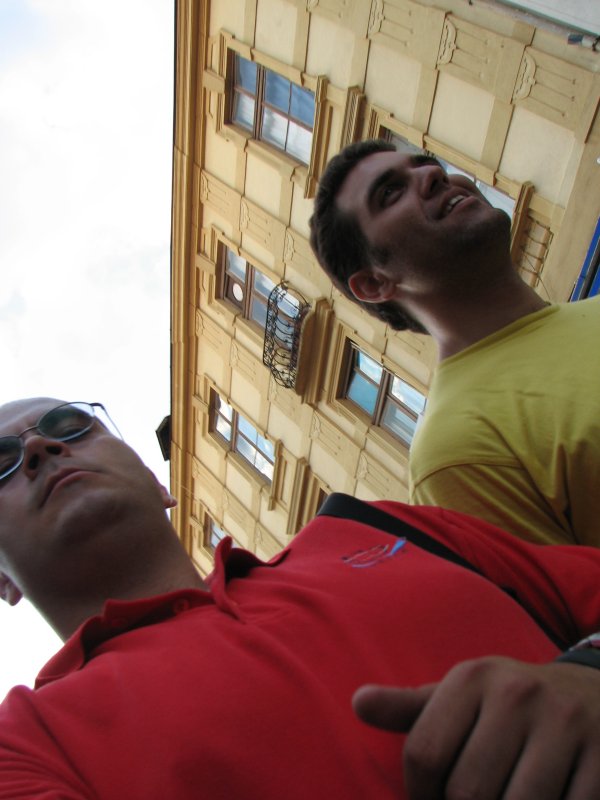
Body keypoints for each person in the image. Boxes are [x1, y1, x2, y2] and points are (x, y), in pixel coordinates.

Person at [1, 396, 600, 799]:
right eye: (0, 462)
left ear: (161, 484)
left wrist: (587, 673)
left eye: (71, 425)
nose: (39, 448)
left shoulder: (377, 526)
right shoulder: (25, 749)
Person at [309, 140, 600, 547]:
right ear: (374, 283)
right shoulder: (454, 452)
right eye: (390, 192)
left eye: (427, 164)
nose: (434, 174)